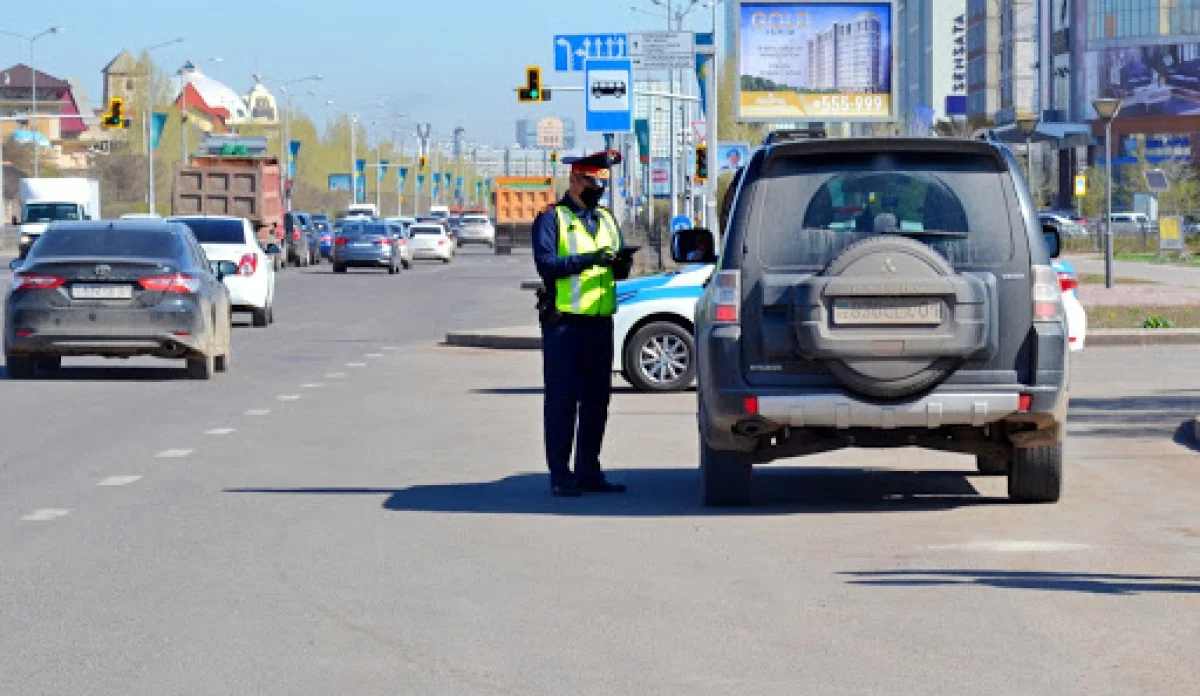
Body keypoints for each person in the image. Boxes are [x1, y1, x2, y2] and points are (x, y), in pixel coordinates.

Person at [531, 150, 629, 497]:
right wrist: (589, 259)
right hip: (565, 325)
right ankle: (561, 475)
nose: (598, 188)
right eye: (592, 182)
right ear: (574, 180)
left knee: (597, 400)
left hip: (600, 322)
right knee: (562, 400)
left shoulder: (605, 218)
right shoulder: (551, 218)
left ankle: (590, 470)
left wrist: (620, 263)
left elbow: (615, 265)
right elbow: (546, 265)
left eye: (603, 183)